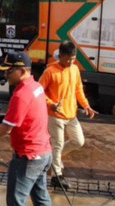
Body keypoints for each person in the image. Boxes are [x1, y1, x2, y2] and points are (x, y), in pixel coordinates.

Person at [0, 51, 52, 206]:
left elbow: (5, 129)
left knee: (16, 201)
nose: (5, 75)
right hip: (44, 153)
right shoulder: (36, 86)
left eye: (9, 71)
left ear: (22, 71)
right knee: (41, 200)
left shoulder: (21, 94)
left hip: (28, 156)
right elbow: (26, 114)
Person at [38, 41, 98, 189]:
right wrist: (51, 103)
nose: (71, 61)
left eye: (73, 58)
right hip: (55, 115)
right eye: (68, 58)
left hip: (71, 115)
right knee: (57, 145)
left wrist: (86, 105)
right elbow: (39, 91)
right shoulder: (50, 71)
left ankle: (53, 158)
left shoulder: (75, 69)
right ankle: (56, 176)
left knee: (79, 141)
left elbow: (78, 90)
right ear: (61, 56)